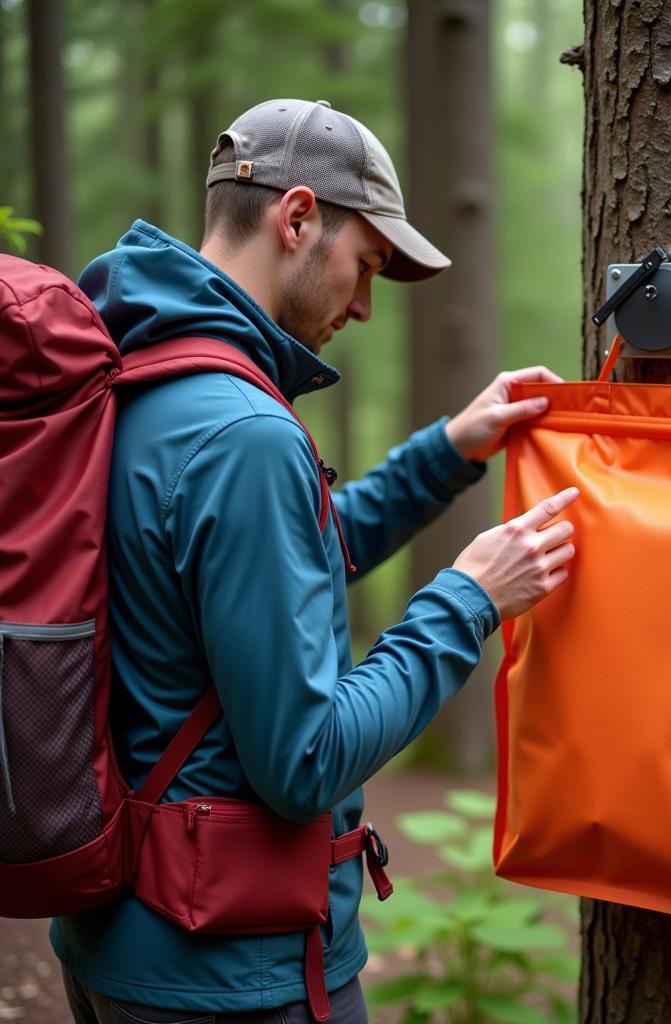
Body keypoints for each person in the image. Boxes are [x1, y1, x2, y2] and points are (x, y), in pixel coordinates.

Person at [51, 98, 578, 1024]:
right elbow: (305, 759)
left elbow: (278, 559)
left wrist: (449, 450)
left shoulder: (141, 370)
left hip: (119, 938)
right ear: (296, 219)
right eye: (365, 265)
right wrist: (468, 599)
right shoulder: (244, 434)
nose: (367, 306)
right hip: (235, 969)